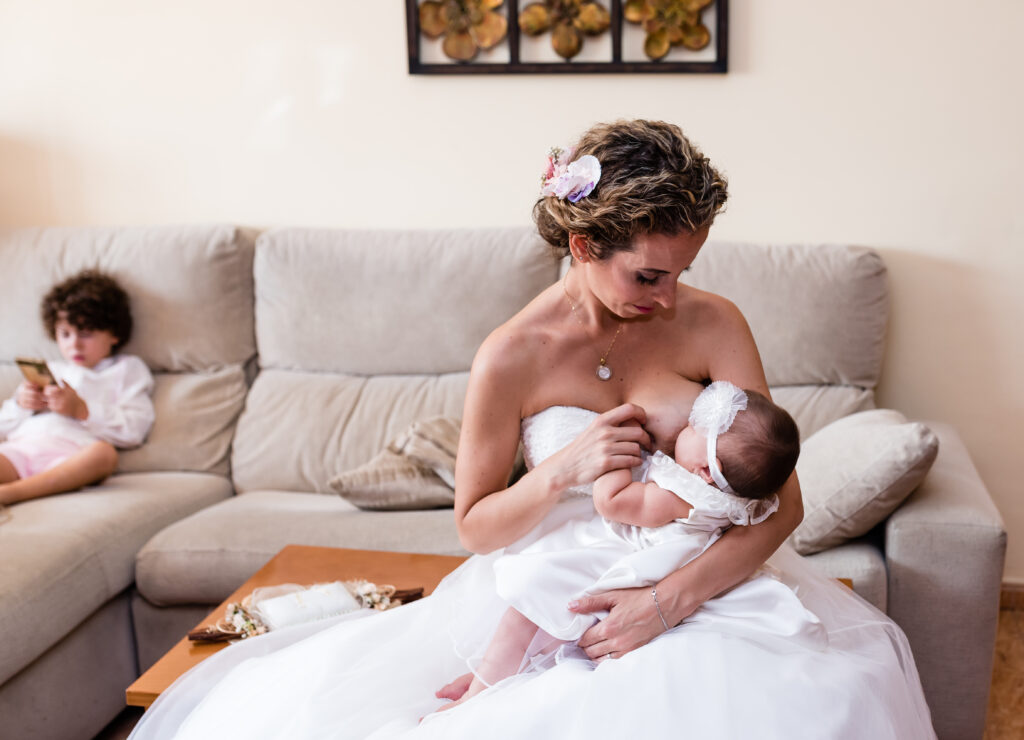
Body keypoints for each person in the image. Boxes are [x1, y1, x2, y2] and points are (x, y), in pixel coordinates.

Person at [130, 120, 935, 739]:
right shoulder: (510, 356)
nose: (668, 296)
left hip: (706, 578)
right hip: (551, 587)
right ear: (583, 245)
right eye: (649, 275)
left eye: (683, 271)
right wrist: (561, 471)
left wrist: (664, 604)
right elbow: (476, 527)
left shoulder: (714, 323)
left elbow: (781, 504)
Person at [433, 381, 804, 713]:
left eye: (694, 429)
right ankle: (493, 676)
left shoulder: (679, 495)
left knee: (529, 601)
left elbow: (612, 502)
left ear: (707, 470)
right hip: (649, 567)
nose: (684, 429)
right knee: (548, 624)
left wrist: (617, 461)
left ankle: (479, 692)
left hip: (621, 562)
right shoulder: (731, 502)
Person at [0, 270, 155, 512]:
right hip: (20, 450)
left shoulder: (127, 369)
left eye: (86, 334)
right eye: (65, 334)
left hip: (72, 457)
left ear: (114, 334)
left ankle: (11, 494)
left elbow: (134, 429)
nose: (75, 344)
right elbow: (3, 425)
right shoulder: (51, 369)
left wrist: (82, 410)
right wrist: (22, 404)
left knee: (105, 455)